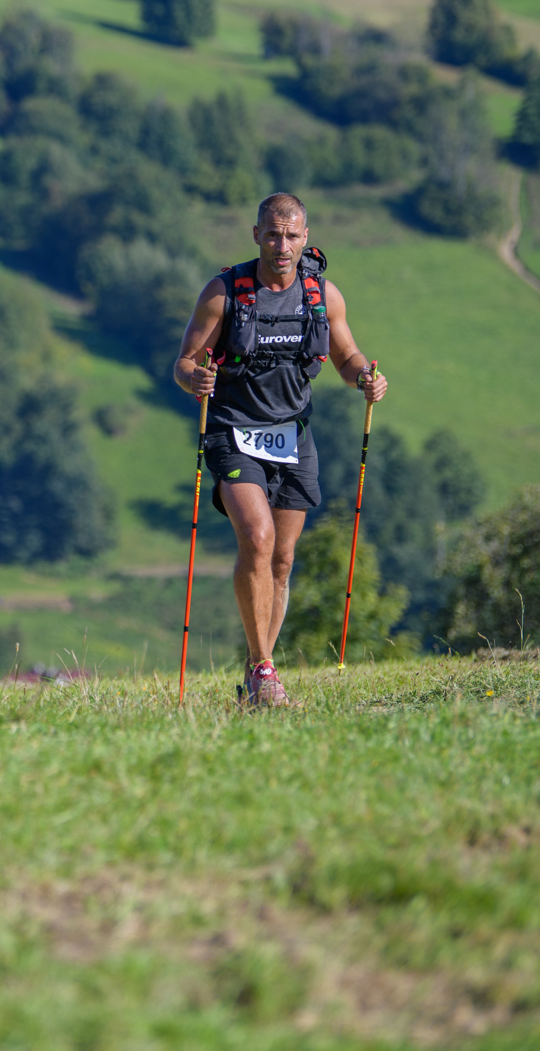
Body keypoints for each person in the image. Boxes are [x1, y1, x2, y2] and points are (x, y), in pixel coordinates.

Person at [172, 194, 387, 708]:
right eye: (272, 234)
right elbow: (184, 362)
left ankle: (256, 667)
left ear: (305, 238)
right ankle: (266, 670)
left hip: (293, 435)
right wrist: (195, 378)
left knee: (283, 560)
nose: (282, 245)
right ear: (256, 235)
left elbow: (346, 356)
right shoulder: (224, 293)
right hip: (232, 431)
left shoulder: (322, 295)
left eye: (291, 236)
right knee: (258, 537)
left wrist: (365, 376)